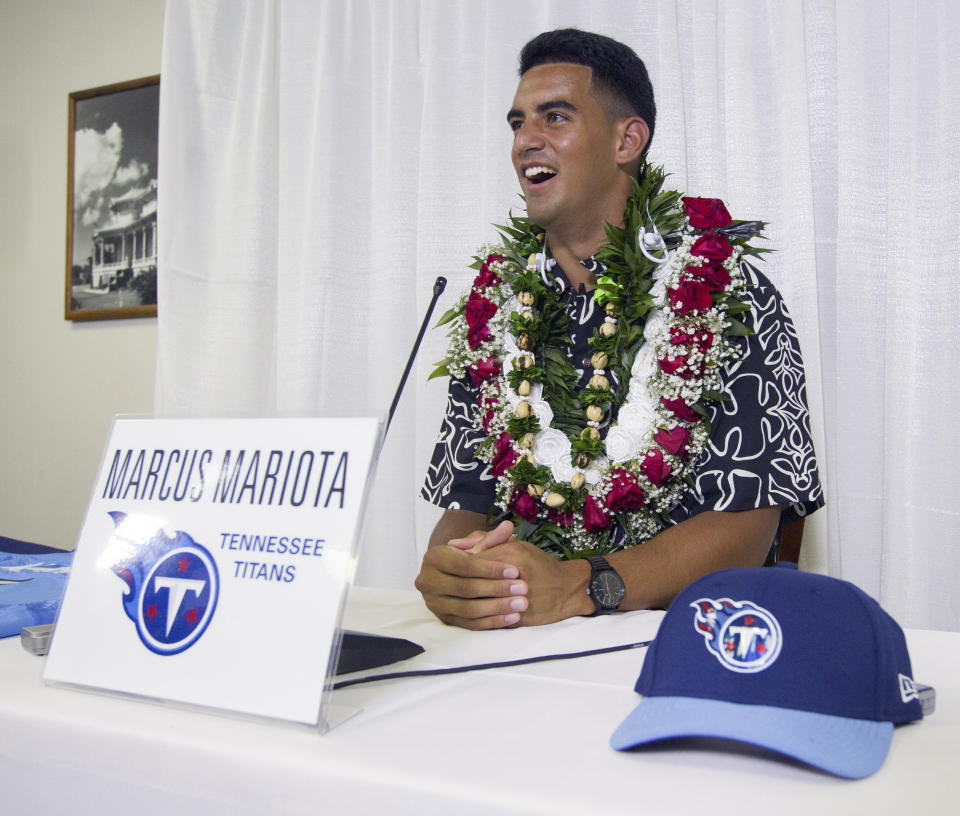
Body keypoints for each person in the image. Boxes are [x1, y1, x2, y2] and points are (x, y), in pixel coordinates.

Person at [418, 29, 822, 630]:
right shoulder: (494, 311)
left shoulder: (725, 290)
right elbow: (469, 503)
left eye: (555, 117)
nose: (526, 140)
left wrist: (581, 587)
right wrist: (453, 571)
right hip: (516, 647)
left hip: (683, 643)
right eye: (517, 122)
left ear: (626, 139)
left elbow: (750, 518)